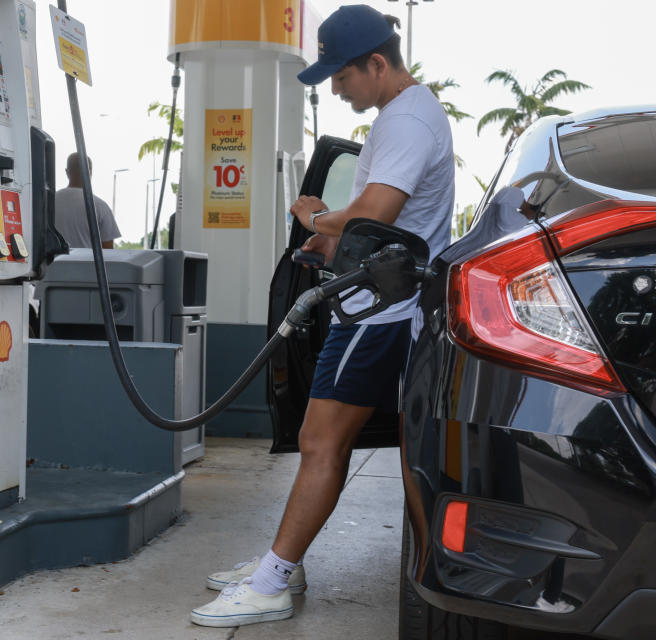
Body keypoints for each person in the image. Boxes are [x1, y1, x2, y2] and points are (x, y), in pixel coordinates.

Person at [190, 4, 455, 628]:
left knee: (320, 441)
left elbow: (379, 208)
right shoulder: (404, 115)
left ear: (378, 63)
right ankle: (285, 562)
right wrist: (334, 240)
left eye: (342, 74)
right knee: (320, 441)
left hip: (380, 314)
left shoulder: (409, 120)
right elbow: (382, 224)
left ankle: (274, 581)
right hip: (374, 302)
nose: (336, 87)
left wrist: (315, 216)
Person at [54, 152, 122, 248]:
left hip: (54, 263)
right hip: (88, 263)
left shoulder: (48, 202)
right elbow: (108, 251)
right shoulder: (100, 206)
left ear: (67, 172)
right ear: (90, 172)